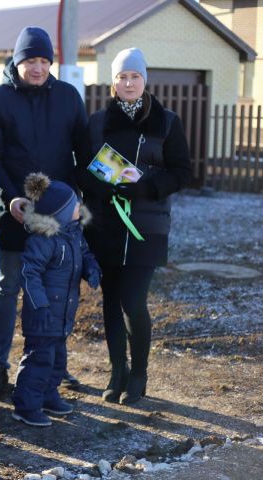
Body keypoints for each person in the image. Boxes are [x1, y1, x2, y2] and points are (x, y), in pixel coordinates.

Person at [0, 26, 89, 395]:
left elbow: (83, 150)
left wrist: (80, 196)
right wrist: (10, 198)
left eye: (44, 60)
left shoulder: (69, 97)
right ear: (17, 60)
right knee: (7, 287)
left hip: (58, 213)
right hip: (12, 210)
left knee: (56, 289)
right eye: (30, 60)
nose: (37, 68)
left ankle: (52, 363)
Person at [77, 48, 191, 405]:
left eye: (135, 76)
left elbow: (182, 172)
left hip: (147, 226)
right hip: (106, 224)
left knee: (133, 299)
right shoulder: (97, 121)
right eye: (122, 77)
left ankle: (139, 372)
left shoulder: (167, 121)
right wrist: (101, 187)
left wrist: (146, 186)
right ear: (114, 83)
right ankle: (117, 371)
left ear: (145, 80)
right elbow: (82, 167)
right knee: (111, 300)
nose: (129, 83)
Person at [10, 173, 100, 427]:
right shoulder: (43, 241)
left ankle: (49, 395)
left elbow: (85, 253)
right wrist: (39, 305)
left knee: (57, 360)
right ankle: (26, 405)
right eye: (74, 205)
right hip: (43, 313)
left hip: (63, 313)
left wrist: (91, 269)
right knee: (39, 360)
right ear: (59, 213)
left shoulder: (73, 233)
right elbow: (29, 273)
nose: (79, 208)